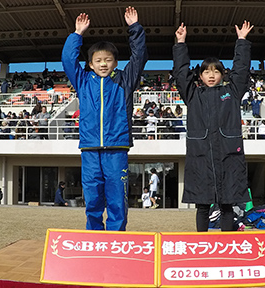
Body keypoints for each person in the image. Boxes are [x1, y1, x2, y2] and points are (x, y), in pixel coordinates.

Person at [62, 7, 148, 231]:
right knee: (92, 199)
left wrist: (135, 29)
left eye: (108, 60)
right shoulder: (82, 81)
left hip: (116, 150)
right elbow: (68, 61)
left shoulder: (124, 80)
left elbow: (139, 58)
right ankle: (94, 237)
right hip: (90, 149)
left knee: (117, 199)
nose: (103, 64)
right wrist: (77, 34)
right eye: (98, 60)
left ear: (115, 63)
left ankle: (116, 239)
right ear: (90, 64)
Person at [173, 21, 252, 231]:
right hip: (201, 157)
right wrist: (180, 43)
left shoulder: (232, 93)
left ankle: (226, 245)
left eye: (215, 71)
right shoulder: (192, 95)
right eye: (206, 72)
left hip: (228, 155)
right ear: (199, 76)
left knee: (227, 205)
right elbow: (181, 75)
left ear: (222, 75)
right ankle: (202, 243)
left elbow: (241, 70)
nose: (210, 75)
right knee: (202, 206)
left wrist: (242, 41)